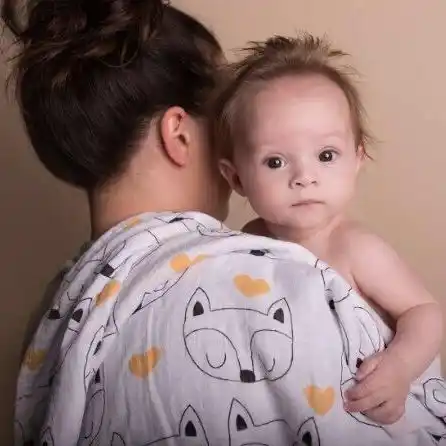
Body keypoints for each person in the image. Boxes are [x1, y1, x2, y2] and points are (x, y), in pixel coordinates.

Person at [3, 0, 446, 443]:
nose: (302, 175)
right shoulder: (247, 283)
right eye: (224, 125)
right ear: (179, 134)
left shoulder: (59, 309)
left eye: (326, 154)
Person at [215, 34, 444, 425]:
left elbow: (424, 312)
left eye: (326, 155)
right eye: (275, 162)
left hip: (368, 401)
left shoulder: (355, 247)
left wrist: (399, 367)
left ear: (357, 159)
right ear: (236, 178)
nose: (305, 177)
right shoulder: (247, 243)